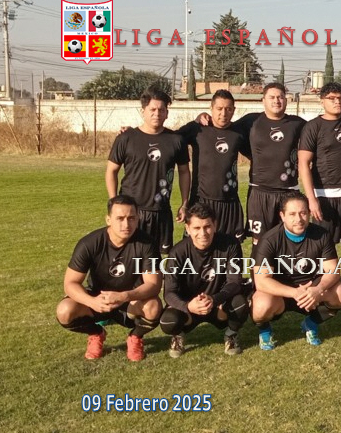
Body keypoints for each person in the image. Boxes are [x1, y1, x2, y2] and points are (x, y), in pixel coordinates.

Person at [55, 195, 162, 361]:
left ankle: (135, 337)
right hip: (97, 300)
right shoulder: (89, 243)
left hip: (129, 302)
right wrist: (92, 302)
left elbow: (154, 284)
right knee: (65, 311)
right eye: (120, 218)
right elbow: (70, 283)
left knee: (153, 306)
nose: (126, 224)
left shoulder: (147, 244)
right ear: (108, 219)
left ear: (138, 218)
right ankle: (96, 333)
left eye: (131, 218)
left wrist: (124, 296)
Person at [249, 193, 341, 348]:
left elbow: (333, 271)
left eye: (303, 213)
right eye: (292, 214)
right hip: (281, 292)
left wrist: (318, 289)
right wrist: (294, 292)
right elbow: (262, 281)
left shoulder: (322, 235)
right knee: (260, 306)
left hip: (312, 290)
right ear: (282, 216)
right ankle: (265, 331)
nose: (299, 219)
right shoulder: (269, 240)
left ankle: (311, 323)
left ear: (309, 213)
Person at [158, 204, 253, 357]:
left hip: (218, 304)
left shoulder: (230, 245)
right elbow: (169, 293)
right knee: (168, 321)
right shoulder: (177, 252)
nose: (203, 233)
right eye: (196, 228)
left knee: (240, 303)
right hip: (190, 308)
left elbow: (234, 283)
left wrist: (214, 299)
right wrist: (188, 306)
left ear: (215, 225)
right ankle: (178, 335)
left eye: (207, 227)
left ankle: (231, 334)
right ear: (188, 228)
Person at [106, 87, 190, 253]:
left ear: (167, 113)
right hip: (131, 211)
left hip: (161, 211)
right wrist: (114, 202)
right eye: (152, 109)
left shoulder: (176, 140)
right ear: (142, 111)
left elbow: (184, 172)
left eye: (161, 110)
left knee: (157, 259)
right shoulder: (126, 138)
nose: (157, 114)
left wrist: (184, 203)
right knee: (128, 256)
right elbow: (111, 171)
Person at [229, 82, 307, 244]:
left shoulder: (297, 123)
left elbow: (323, 127)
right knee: (260, 243)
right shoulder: (251, 121)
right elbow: (223, 128)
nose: (276, 101)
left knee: (289, 241)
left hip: (289, 192)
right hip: (259, 192)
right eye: (272, 97)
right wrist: (203, 117)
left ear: (286, 100)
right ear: (263, 100)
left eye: (280, 97)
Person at [298, 83, 341, 263]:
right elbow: (303, 163)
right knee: (324, 245)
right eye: (332, 98)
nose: (337, 101)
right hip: (324, 196)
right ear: (322, 101)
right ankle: (325, 279)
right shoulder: (313, 126)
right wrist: (311, 199)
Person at [176, 90, 249, 241]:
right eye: (219, 108)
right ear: (211, 108)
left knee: (229, 249)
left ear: (234, 110)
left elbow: (258, 154)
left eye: (228, 109)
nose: (224, 113)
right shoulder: (198, 129)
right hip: (201, 200)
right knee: (196, 247)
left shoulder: (239, 132)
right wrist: (132, 133)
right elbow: (167, 139)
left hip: (229, 203)